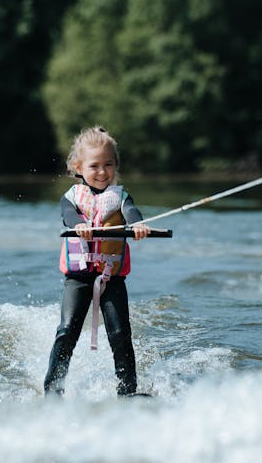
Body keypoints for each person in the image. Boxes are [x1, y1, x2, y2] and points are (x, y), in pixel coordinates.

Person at [44, 126, 150, 396]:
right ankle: (53, 390)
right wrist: (79, 224)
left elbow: (132, 212)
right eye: (94, 166)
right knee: (67, 331)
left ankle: (128, 391)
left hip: (111, 277)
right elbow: (68, 215)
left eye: (108, 165)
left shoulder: (121, 197)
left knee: (120, 334)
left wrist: (138, 225)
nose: (102, 172)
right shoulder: (71, 198)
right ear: (78, 167)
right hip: (78, 278)